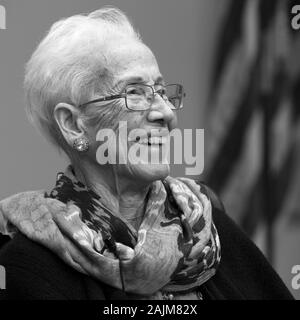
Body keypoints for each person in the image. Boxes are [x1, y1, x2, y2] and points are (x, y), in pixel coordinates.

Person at [0, 7, 294, 300]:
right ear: (74, 125)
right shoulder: (32, 264)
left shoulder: (205, 223)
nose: (166, 113)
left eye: (163, 92)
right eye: (135, 93)